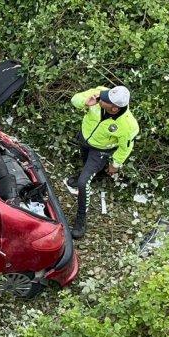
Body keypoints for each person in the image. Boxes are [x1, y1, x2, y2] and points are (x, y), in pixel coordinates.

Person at [63, 85, 139, 239]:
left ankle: (81, 218)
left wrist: (115, 164)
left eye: (104, 100)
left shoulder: (128, 125)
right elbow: (74, 99)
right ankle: (86, 175)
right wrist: (85, 102)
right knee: (85, 164)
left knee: (83, 183)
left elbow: (125, 148)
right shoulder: (98, 94)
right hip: (85, 140)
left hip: (100, 151)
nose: (100, 98)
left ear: (114, 108)